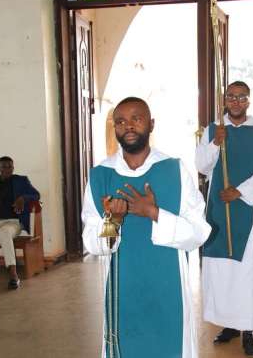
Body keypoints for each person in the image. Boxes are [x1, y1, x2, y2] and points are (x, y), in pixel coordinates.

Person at [82, 97, 211, 358]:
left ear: (151, 124)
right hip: (123, 291)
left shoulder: (174, 170)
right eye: (120, 121)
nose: (128, 126)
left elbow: (199, 232)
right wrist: (113, 222)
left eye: (136, 119)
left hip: (168, 288)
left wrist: (154, 213)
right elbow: (92, 243)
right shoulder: (100, 175)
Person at [195, 81, 253, 356]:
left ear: (249, 101)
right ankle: (230, 322)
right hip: (219, 209)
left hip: (248, 211)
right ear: (225, 100)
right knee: (222, 269)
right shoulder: (213, 130)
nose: (237, 102)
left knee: (249, 272)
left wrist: (240, 191)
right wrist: (216, 143)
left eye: (242, 97)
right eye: (232, 97)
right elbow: (202, 166)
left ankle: (250, 330)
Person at [0, 156, 40, 289]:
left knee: (3, 233)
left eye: (10, 166)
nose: (8, 169)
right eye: (4, 166)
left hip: (13, 223)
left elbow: (36, 195)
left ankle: (13, 274)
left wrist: (23, 198)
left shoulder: (21, 180)